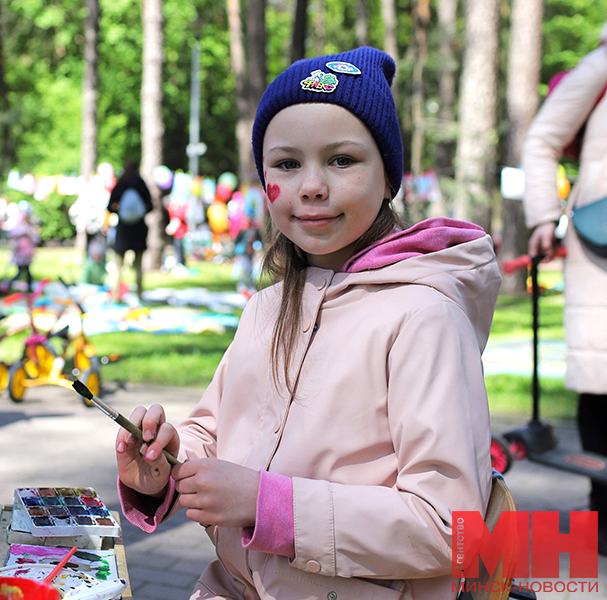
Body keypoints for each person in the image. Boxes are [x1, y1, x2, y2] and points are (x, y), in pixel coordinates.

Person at [114, 47, 500, 600]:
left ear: (389, 176)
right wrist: (166, 467)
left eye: (342, 160)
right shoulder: (264, 310)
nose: (312, 186)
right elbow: (213, 431)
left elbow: (455, 533)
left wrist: (270, 505)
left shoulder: (425, 317)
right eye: (287, 164)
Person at [522, 22, 607, 556]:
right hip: (602, 247)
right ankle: (599, 522)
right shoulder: (601, 63)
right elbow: (542, 138)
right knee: (603, 379)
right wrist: (545, 216)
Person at [107, 160, 153, 301]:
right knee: (138, 265)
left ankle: (115, 295)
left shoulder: (122, 183)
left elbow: (110, 206)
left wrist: (121, 210)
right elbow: (150, 206)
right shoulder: (140, 183)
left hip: (124, 229)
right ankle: (139, 294)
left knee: (118, 264)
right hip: (139, 228)